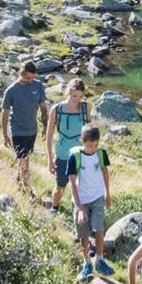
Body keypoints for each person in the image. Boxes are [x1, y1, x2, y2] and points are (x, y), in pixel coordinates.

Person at [67, 123, 114, 281]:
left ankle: (100, 260)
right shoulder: (75, 157)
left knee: (99, 229)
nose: (92, 149)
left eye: (95, 145)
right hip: (81, 200)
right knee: (83, 233)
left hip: (97, 197)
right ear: (82, 140)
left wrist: (107, 193)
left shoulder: (101, 154)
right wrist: (80, 208)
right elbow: (72, 183)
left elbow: (105, 172)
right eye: (89, 145)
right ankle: (87, 263)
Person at [0, 61, 50, 202]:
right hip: (17, 130)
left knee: (25, 158)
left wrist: (45, 127)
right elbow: (4, 113)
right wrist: (4, 135)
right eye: (27, 78)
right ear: (20, 73)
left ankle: (18, 182)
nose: (30, 81)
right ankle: (28, 191)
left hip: (32, 130)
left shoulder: (38, 86)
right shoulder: (11, 90)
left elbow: (43, 108)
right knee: (24, 161)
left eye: (33, 78)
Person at [47, 78, 92, 214]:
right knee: (60, 187)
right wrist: (50, 159)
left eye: (80, 96)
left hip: (82, 153)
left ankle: (80, 213)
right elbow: (49, 135)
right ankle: (54, 208)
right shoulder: (56, 109)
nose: (77, 99)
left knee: (81, 187)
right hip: (63, 153)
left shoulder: (86, 107)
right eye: (74, 96)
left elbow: (90, 130)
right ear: (68, 92)